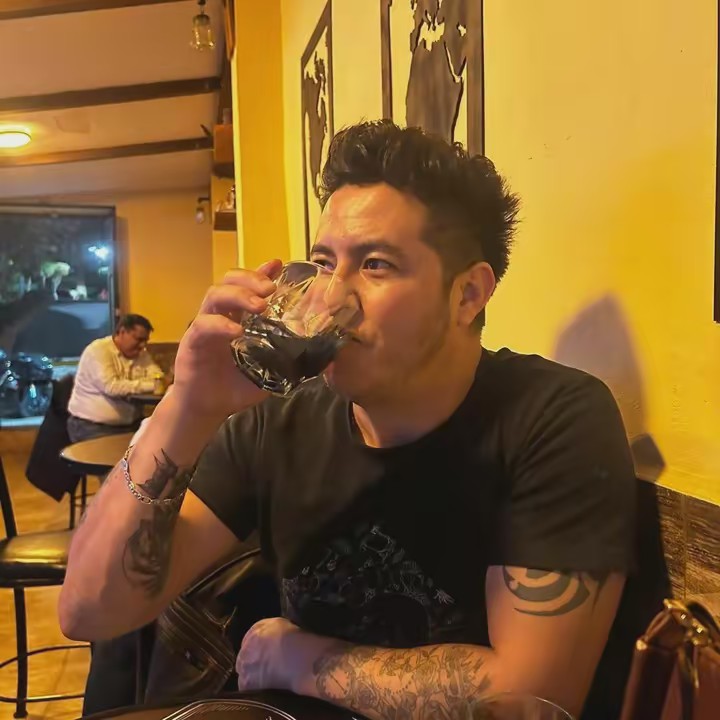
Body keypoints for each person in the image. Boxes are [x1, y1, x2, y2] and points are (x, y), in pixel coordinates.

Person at [59, 121, 637, 720]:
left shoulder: (552, 418)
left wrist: (300, 660)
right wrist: (187, 405)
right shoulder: (276, 420)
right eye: (324, 263)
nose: (332, 297)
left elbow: (533, 698)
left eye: (376, 265)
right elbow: (88, 611)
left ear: (468, 295)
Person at [67, 314, 162, 442]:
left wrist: (151, 383)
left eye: (145, 340)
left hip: (130, 425)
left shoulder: (141, 354)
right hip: (92, 426)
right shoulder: (98, 350)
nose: (143, 345)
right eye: (139, 339)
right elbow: (111, 387)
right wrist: (150, 385)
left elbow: (158, 377)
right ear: (122, 332)